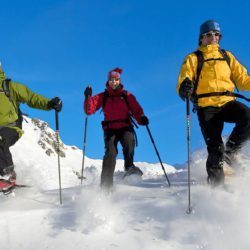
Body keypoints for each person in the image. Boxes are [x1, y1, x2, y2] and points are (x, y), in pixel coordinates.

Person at [177, 20, 250, 186]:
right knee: (215, 147)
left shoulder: (227, 56)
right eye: (210, 34)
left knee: (248, 116)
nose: (214, 37)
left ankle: (231, 152)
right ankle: (216, 188)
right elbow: (184, 78)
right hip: (206, 106)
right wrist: (184, 87)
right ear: (202, 37)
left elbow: (243, 80)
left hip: (226, 102)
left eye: (217, 34)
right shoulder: (193, 58)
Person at [0, 62, 62, 190]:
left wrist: (49, 104)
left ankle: (8, 175)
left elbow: (31, 97)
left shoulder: (9, 87)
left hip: (11, 127)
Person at [84, 67, 149, 190]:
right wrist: (88, 97)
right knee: (110, 153)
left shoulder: (126, 95)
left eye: (116, 80)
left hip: (125, 126)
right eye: (111, 80)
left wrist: (141, 118)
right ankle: (106, 185)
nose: (114, 82)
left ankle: (129, 167)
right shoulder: (103, 97)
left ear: (119, 81)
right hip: (110, 129)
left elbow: (136, 109)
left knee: (129, 142)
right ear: (108, 81)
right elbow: (89, 109)